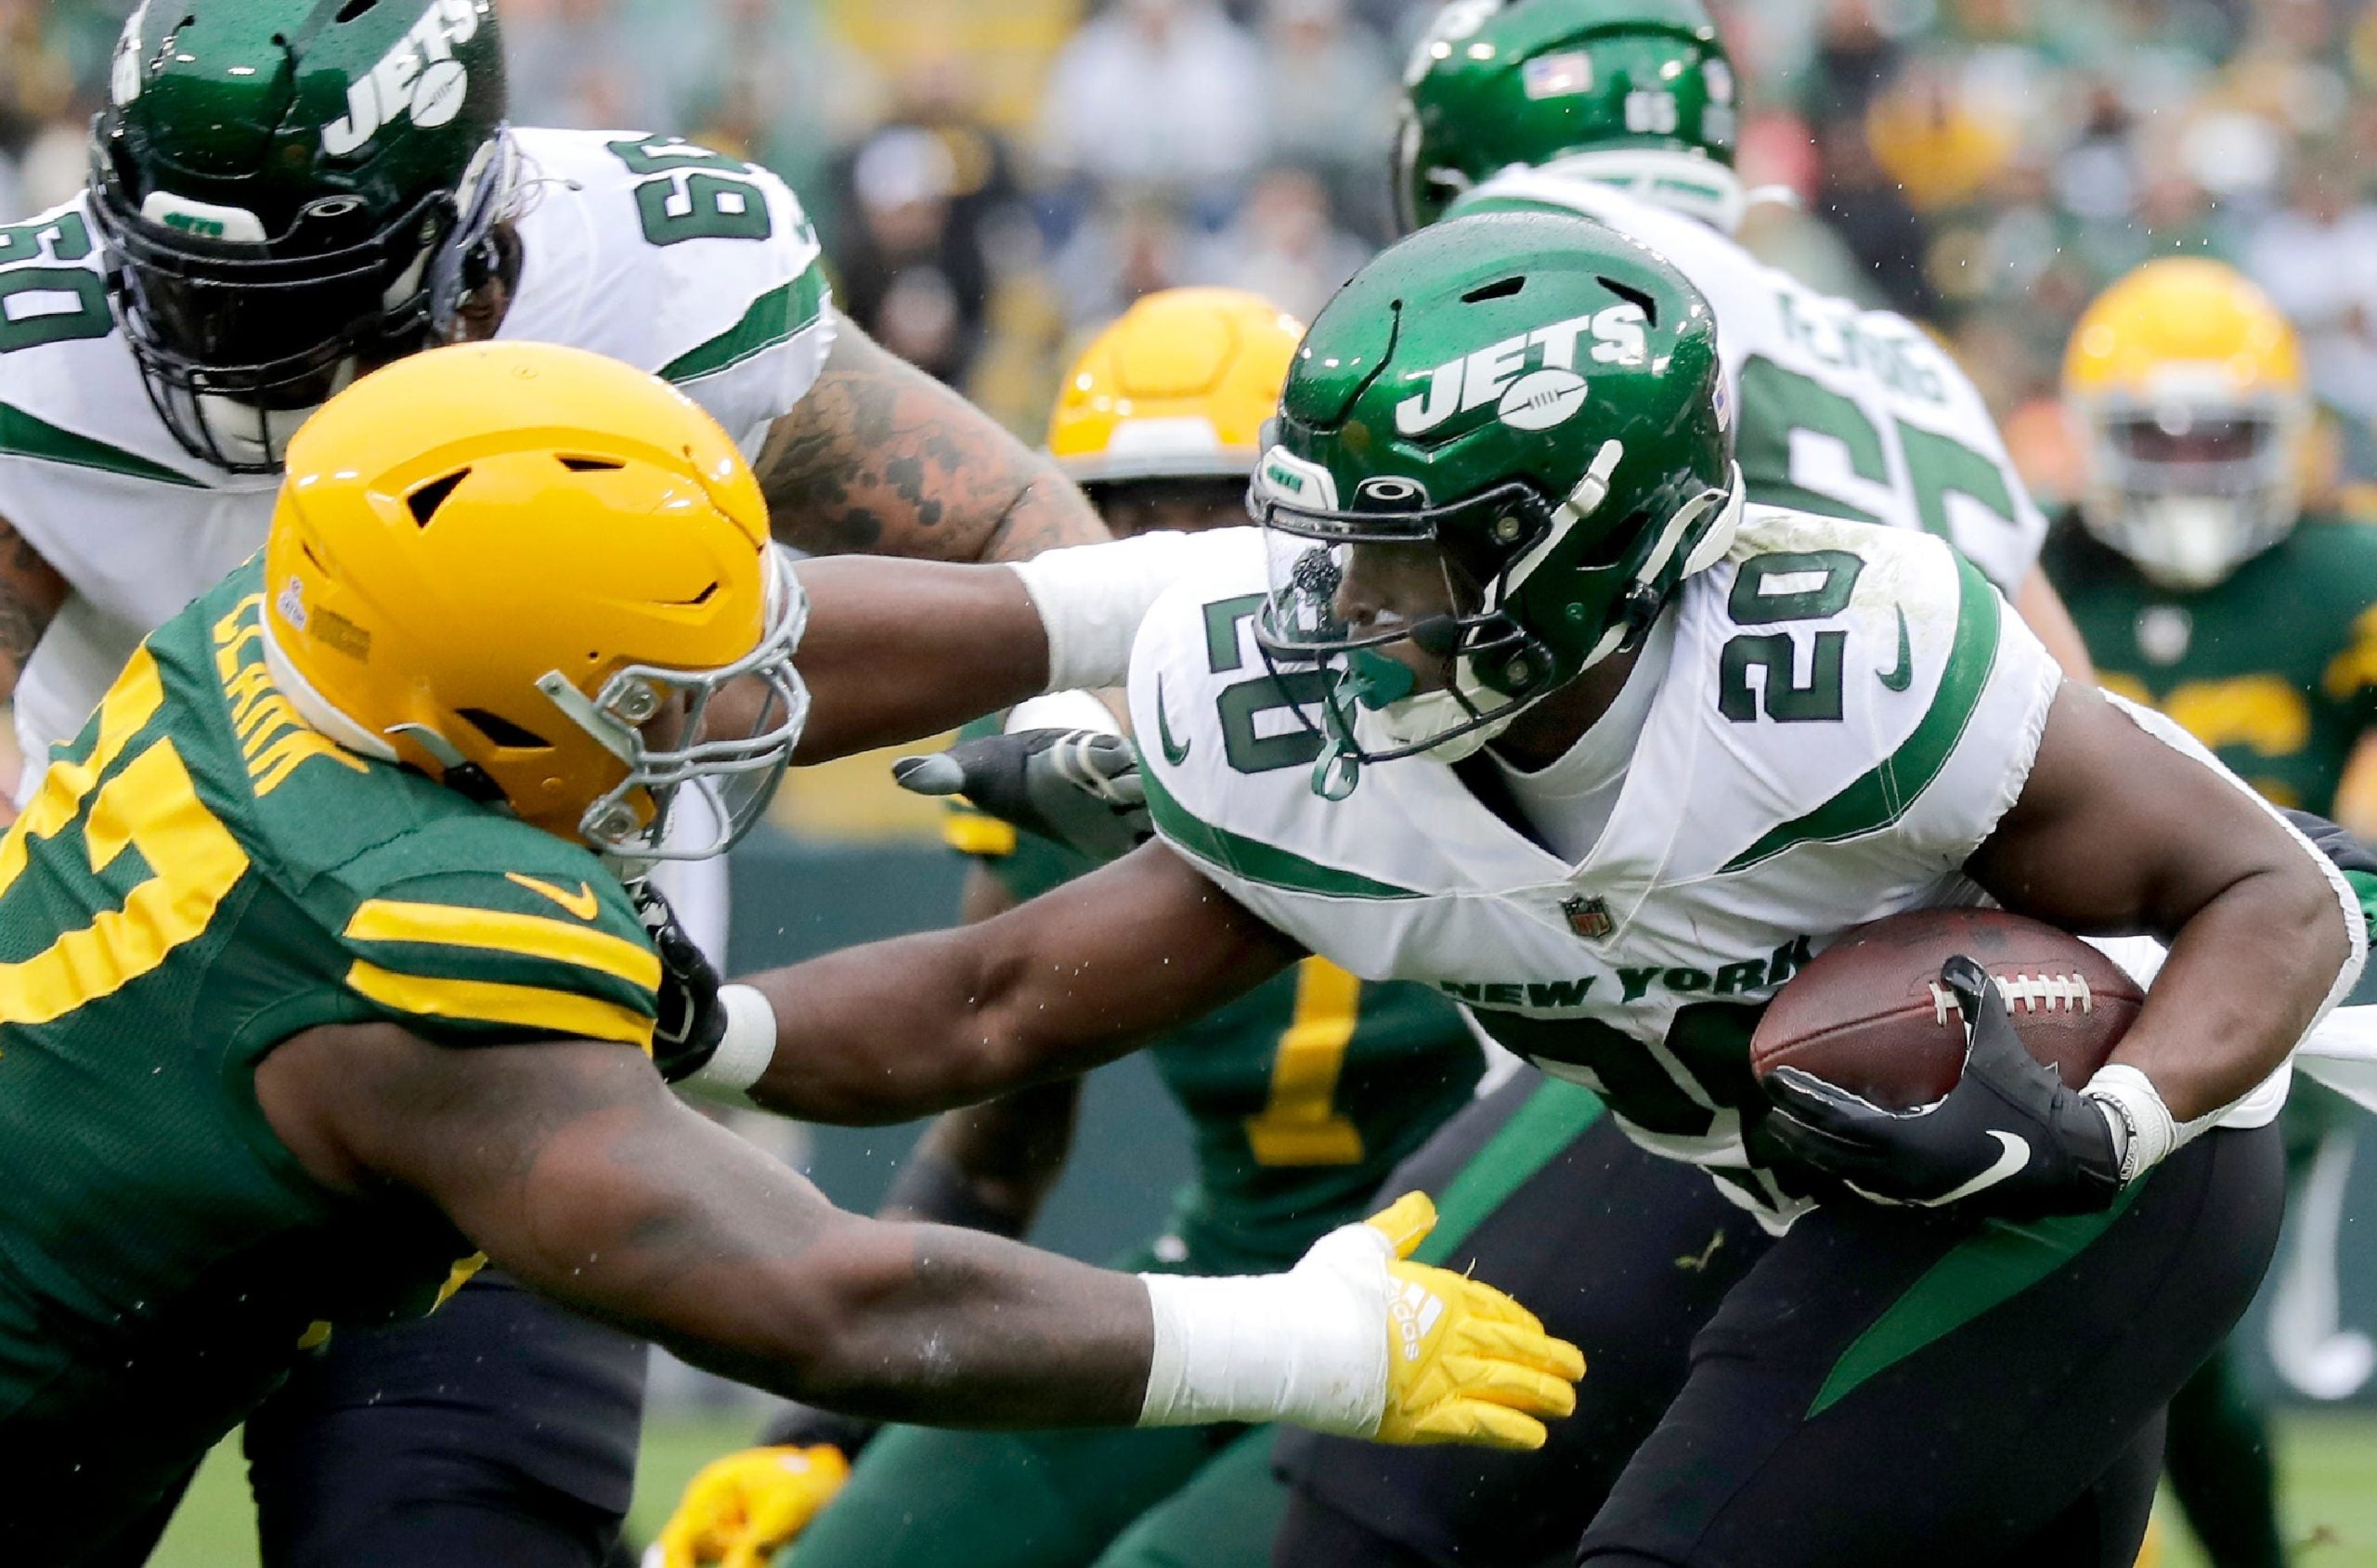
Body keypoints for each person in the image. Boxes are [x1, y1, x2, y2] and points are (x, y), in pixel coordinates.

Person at [686, 214, 2363, 1568]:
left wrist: (2112, 1122)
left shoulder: (1841, 664)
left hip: (2059, 1169)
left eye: (1404, 551)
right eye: (1331, 538)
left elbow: (2271, 895)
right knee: (1358, 1519)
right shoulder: (1310, 727)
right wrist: (691, 1016)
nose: (1340, 599)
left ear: (1583, 547)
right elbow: (987, 1005)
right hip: (1720, 1148)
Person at [0, 339, 1583, 1568]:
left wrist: (1164, 591)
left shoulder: (286, 630)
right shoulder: (413, 949)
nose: (738, 711)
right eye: (667, 693)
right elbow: (834, 1302)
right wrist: (1306, 1341)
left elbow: (771, 628)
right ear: (491, 713)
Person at [0, 1, 1113, 1560]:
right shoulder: (41, 361)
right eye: (180, 294)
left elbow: (1013, 531)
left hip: (509, 1043)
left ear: (475, 228)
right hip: (154, 1079)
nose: (221, 353)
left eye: (293, 301)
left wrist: (1077, 732)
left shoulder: (659, 283)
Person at [658, 289, 1494, 1568]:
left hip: (1484, 1240)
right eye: (1123, 506)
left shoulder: (1448, 705)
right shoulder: (1044, 749)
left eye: (1218, 501)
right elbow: (995, 1137)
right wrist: (819, 1433)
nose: (1172, 546)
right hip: (1241, 1254)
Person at [2046, 257, 2377, 1568]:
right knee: (2138, 1338)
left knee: (2178, 1331)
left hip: (2268, 991)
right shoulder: (2038, 565)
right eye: (2156, 437)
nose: (2187, 466)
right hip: (2061, 983)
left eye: (2221, 435)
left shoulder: (2343, 572)